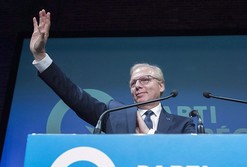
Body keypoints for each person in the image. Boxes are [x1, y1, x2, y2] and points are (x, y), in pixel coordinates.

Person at [30, 9, 195, 134]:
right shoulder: (113, 114)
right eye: (132, 83)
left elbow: (193, 159)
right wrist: (40, 56)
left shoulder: (183, 125)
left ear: (161, 86)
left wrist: (148, 139)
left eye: (145, 80)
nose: (137, 86)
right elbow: (74, 95)